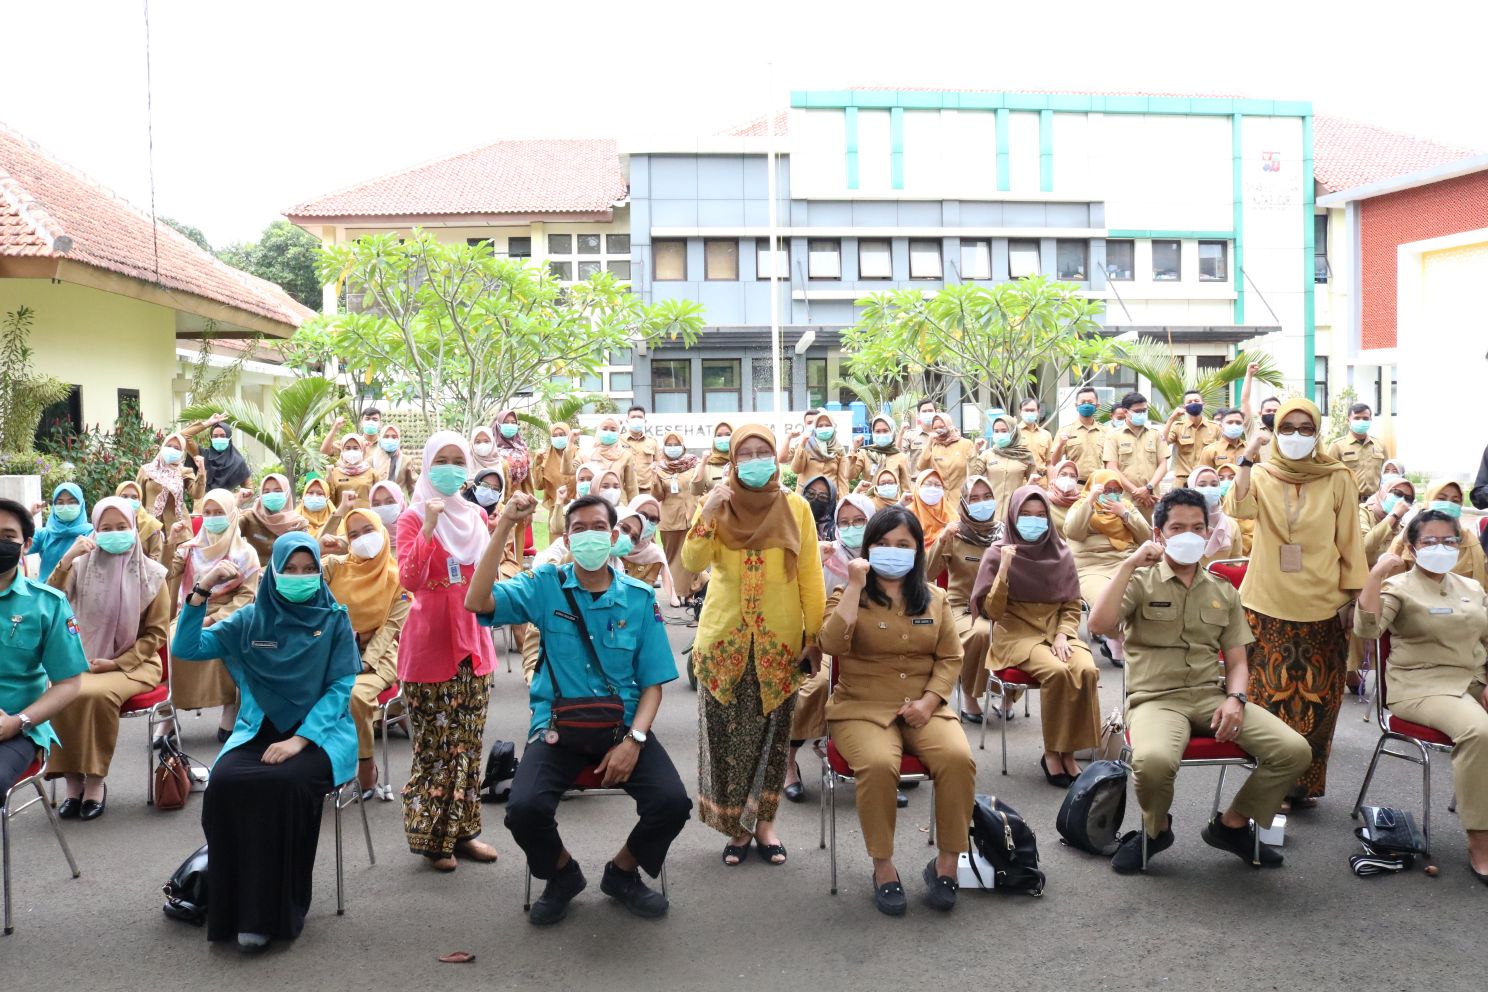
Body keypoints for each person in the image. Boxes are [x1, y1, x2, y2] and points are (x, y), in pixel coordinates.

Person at [469, 491, 691, 924]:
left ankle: (623, 872)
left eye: (597, 528)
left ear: (612, 537)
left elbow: (652, 686)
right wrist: (503, 528)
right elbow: (478, 602)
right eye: (578, 529)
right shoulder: (544, 585)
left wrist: (635, 741)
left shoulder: (640, 598)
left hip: (622, 727)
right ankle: (561, 873)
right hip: (557, 727)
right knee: (524, 809)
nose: (588, 536)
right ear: (567, 541)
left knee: (672, 803)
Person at [1088, 489, 1311, 873]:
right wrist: (1128, 564)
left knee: (1293, 750)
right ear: (1159, 534)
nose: (1188, 535)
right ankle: (1156, 829)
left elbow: (1238, 660)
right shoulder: (1141, 581)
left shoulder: (1222, 590)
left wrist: (1236, 698)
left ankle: (1233, 825)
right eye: (1177, 527)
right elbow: (1099, 625)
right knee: (1154, 762)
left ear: (1208, 533)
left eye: (1197, 527)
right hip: (1156, 700)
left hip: (1212, 698)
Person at [171, 532, 359, 950]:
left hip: (322, 736)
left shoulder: (333, 618)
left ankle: (277, 912)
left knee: (284, 785)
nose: (300, 577)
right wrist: (201, 590)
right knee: (224, 783)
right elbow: (186, 648)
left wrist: (301, 741)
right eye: (289, 569)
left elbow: (341, 686)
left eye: (309, 569)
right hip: (258, 733)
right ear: (273, 572)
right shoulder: (250, 619)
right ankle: (233, 907)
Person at [819, 505, 975, 916]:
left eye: (902, 545)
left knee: (958, 758)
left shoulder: (935, 598)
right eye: (883, 544)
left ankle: (946, 865)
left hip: (924, 705)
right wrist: (854, 585)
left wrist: (929, 702)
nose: (892, 551)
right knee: (876, 763)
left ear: (917, 551)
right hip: (861, 707)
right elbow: (831, 645)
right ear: (867, 549)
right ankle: (883, 868)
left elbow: (950, 658)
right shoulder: (845, 595)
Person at [683, 424, 824, 867]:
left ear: (777, 458)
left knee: (771, 738)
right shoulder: (719, 505)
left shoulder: (796, 507)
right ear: (734, 461)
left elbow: (810, 574)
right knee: (726, 737)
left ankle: (764, 825)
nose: (757, 460)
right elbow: (691, 564)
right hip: (723, 638)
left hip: (778, 642)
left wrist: (813, 633)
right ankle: (736, 828)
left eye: (764, 451)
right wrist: (706, 512)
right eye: (747, 453)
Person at [1224, 398, 1366, 808]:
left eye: (1306, 428)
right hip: (1265, 602)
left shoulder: (1337, 476)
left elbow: (1350, 542)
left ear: (1318, 433)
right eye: (1288, 428)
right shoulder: (1263, 472)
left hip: (1323, 604)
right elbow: (1237, 508)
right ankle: (1271, 785)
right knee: (1269, 699)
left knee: (1318, 699)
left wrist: (1354, 597)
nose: (1297, 436)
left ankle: (1303, 785)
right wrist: (1248, 458)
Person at [1355, 510, 1488, 882]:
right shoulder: (1398, 587)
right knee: (1479, 732)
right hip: (1420, 687)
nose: (1440, 547)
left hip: (1471, 682)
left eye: (1449, 540)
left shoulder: (1472, 588)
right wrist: (1377, 573)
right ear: (1412, 547)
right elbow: (1366, 628)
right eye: (1430, 541)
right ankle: (1481, 841)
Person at [395, 431, 499, 871]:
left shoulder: (476, 515)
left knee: (469, 745)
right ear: (428, 463)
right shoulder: (412, 517)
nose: (453, 467)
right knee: (436, 749)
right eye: (444, 459)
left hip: (473, 642)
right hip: (430, 646)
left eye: (460, 460)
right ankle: (433, 838)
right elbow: (409, 578)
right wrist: (431, 525)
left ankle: (465, 832)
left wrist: (505, 525)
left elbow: (489, 572)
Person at [42, 497, 170, 818]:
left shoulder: (152, 574)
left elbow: (156, 635)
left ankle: (95, 781)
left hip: (134, 663)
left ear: (134, 529)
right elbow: (48, 599)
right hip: (84, 659)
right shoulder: (81, 566)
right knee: (60, 692)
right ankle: (73, 783)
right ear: (95, 531)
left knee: (95, 694)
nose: (115, 534)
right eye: (106, 528)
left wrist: (116, 663)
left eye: (122, 527)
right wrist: (68, 557)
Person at [972, 486, 1100, 783]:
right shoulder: (996, 552)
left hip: (1056, 631)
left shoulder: (1061, 551)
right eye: (1026, 515)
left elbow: (1071, 604)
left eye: (1041, 515)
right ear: (1013, 518)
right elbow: (991, 612)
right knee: (1057, 672)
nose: (1034, 521)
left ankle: (1071, 751)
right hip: (1016, 634)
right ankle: (1054, 753)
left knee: (1087, 670)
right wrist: (1004, 569)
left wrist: (1064, 635)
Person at [784, 492, 874, 801]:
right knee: (817, 684)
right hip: (829, 639)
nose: (852, 528)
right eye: (844, 522)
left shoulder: (887, 553)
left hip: (875, 642)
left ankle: (880, 766)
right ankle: (788, 763)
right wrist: (811, 564)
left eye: (860, 521)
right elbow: (803, 599)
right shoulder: (826, 555)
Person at [0, 498, 85, 796]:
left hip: (16, 729)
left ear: (26, 544)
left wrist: (18, 722)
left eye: (7, 536)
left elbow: (69, 682)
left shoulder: (47, 604)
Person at [325, 507, 409, 800]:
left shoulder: (398, 577)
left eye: (368, 531)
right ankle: (321, 764)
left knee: (354, 695)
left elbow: (389, 630)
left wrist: (364, 661)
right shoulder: (335, 567)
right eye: (354, 534)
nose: (363, 539)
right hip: (330, 652)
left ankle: (365, 764)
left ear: (382, 532)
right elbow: (293, 571)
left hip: (378, 655)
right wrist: (318, 544)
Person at [165, 489, 262, 741]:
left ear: (231, 515)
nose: (212, 517)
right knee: (174, 640)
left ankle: (229, 707)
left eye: (219, 512)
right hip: (192, 609)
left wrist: (214, 618)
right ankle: (169, 710)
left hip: (230, 614)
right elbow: (164, 575)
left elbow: (246, 597)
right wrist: (171, 543)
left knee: (224, 639)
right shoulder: (190, 548)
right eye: (207, 513)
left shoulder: (245, 553)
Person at [927, 476, 1000, 723]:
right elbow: (927, 574)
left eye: (987, 497)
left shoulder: (1004, 532)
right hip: (962, 607)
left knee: (1018, 634)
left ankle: (1006, 692)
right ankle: (970, 694)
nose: (982, 503)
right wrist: (942, 539)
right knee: (980, 633)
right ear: (964, 504)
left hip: (1001, 607)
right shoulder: (956, 533)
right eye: (974, 498)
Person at [1065, 470, 1152, 668]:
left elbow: (1146, 536)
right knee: (1106, 601)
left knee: (1149, 595)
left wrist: (1125, 513)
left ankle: (1128, 640)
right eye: (1106, 490)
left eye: (1116, 490)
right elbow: (1073, 532)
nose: (1111, 494)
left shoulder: (1126, 506)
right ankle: (1121, 638)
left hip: (1127, 562)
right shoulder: (1081, 505)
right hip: (1091, 566)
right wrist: (1090, 502)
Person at [1387, 480, 1488, 588]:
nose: (1449, 504)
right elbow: (1391, 580)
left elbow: (1481, 583)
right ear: (1428, 501)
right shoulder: (1408, 537)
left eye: (1455, 501)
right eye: (1441, 499)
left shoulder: (1470, 541)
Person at [1103, 392, 1169, 522]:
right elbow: (1112, 468)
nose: (1142, 414)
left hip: (1151, 500)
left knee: (1150, 539)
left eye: (1144, 410)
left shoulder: (1155, 434)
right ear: (1125, 412)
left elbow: (1163, 465)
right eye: (1138, 411)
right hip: (1124, 500)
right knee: (1126, 540)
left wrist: (1148, 488)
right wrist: (1136, 492)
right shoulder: (1113, 436)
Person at [136, 431, 206, 536]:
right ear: (162, 447)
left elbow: (197, 494)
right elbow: (138, 498)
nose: (172, 450)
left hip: (179, 527)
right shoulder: (146, 470)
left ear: (182, 452)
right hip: (152, 525)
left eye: (177, 448)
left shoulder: (184, 471)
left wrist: (201, 470)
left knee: (179, 552)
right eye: (169, 446)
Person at [652, 432, 699, 589]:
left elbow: (700, 488)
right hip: (670, 520)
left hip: (692, 517)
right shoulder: (659, 468)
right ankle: (677, 592)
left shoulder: (694, 465)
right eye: (669, 445)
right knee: (673, 558)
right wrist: (654, 478)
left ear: (683, 446)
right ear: (664, 448)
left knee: (692, 555)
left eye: (676, 444)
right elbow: (658, 495)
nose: (673, 448)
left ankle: (691, 592)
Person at [968, 413, 1034, 521]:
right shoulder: (988, 454)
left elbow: (1033, 483)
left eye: (1004, 431)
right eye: (996, 431)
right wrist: (975, 450)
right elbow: (972, 477)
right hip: (991, 513)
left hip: (1016, 511)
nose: (999, 434)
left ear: (1013, 432)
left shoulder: (1025, 455)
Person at [617, 498, 680, 607]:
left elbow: (646, 588)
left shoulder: (655, 554)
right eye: (643, 515)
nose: (646, 522)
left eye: (653, 519)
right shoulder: (615, 544)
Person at [238, 473, 310, 564]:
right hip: (255, 573)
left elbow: (305, 555)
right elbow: (227, 534)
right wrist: (237, 503)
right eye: (266, 492)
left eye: (278, 491)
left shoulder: (298, 524)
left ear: (287, 493)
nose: (272, 495)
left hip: (284, 575)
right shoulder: (250, 517)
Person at [1324, 403, 1386, 502]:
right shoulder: (1337, 446)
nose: (1361, 421)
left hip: (1376, 503)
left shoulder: (1380, 445)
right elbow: (1327, 477)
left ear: (1370, 420)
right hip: (1348, 502)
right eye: (1357, 418)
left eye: (1365, 418)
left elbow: (1387, 473)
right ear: (1348, 421)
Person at [31, 484, 93, 581]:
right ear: (54, 507)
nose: (65, 507)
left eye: (72, 502)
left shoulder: (91, 533)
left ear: (81, 504)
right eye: (60, 503)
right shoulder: (43, 534)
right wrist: (29, 514)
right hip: (46, 592)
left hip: (77, 594)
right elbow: (16, 545)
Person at [1048, 387, 1106, 484]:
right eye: (1082, 402)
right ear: (1076, 406)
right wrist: (1061, 445)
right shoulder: (1065, 431)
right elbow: (1053, 462)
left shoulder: (1106, 431)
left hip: (1100, 485)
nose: (1086, 405)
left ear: (1097, 405)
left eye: (1090, 402)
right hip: (1074, 486)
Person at [1164, 390, 1220, 488]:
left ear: (1203, 404)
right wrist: (1171, 419)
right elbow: (1162, 443)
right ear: (1184, 407)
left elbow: (1223, 450)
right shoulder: (1177, 427)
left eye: (1196, 401)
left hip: (1207, 481)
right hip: (1183, 481)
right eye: (1189, 402)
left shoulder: (1215, 427)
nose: (1193, 404)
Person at [1187, 466, 1242, 565]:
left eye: (1214, 484)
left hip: (1222, 579)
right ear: (1191, 489)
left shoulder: (1231, 525)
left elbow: (1235, 562)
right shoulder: (1181, 523)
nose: (1209, 489)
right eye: (1202, 485)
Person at [187, 413, 253, 494]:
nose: (219, 438)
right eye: (215, 436)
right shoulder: (202, 455)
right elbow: (184, 436)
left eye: (222, 436)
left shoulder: (238, 462)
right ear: (211, 438)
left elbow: (249, 489)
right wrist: (208, 423)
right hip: (203, 504)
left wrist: (230, 498)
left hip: (227, 505)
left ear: (229, 437)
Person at [915, 413, 977, 498]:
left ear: (949, 425)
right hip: (939, 498)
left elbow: (973, 473)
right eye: (935, 428)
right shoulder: (933, 445)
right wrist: (929, 443)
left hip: (960, 498)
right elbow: (921, 467)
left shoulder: (965, 444)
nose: (938, 430)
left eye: (941, 427)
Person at [534, 422, 578, 543]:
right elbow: (538, 486)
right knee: (556, 547)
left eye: (562, 434)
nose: (558, 438)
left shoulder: (578, 454)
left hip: (577, 507)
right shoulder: (545, 457)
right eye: (555, 435)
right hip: (556, 509)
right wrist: (537, 465)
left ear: (569, 435)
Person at [790, 412, 850, 494]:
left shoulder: (839, 449)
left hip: (828, 500)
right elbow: (796, 469)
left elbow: (843, 480)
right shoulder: (807, 446)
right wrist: (802, 446)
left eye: (828, 425)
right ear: (815, 428)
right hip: (806, 498)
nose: (824, 428)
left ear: (833, 427)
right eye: (820, 426)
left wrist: (843, 502)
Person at [852, 415, 913, 496]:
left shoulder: (901, 457)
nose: (881, 434)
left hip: (893, 505)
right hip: (869, 503)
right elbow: (850, 475)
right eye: (877, 431)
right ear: (873, 433)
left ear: (892, 432)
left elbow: (906, 489)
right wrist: (853, 450)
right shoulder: (865, 454)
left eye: (885, 431)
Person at [114, 480, 169, 564]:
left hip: (144, 572)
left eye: (134, 497)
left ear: (140, 500)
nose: (129, 500)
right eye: (124, 496)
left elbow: (155, 556)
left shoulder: (151, 524)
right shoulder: (109, 522)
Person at [326, 433, 382, 510]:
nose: (351, 451)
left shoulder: (372, 473)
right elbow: (329, 500)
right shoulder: (334, 473)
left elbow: (379, 499)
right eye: (348, 448)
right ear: (342, 450)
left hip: (366, 518)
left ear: (362, 450)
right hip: (342, 519)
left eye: (355, 448)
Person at [591, 415, 639, 503]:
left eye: (613, 430)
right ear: (598, 430)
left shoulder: (626, 456)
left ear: (618, 432)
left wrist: (634, 508)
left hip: (620, 505)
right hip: (596, 504)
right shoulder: (590, 454)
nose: (608, 432)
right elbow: (568, 470)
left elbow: (632, 487)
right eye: (604, 429)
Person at [907, 469, 955, 549]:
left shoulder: (951, 514)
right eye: (928, 484)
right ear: (918, 487)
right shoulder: (907, 514)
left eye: (937, 485)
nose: (933, 488)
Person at [621, 405, 661, 496]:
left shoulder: (652, 442)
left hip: (647, 491)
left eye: (639, 417)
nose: (636, 419)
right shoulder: (619, 440)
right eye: (633, 417)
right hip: (625, 491)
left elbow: (658, 465)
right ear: (627, 421)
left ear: (645, 421)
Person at [493, 410, 535, 497]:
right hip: (498, 496)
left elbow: (527, 480)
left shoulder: (522, 448)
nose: (510, 425)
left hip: (519, 496)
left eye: (513, 422)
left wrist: (529, 497)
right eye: (506, 422)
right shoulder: (491, 449)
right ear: (498, 425)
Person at [692, 422, 734, 501]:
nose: (723, 438)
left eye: (728, 434)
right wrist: (703, 464)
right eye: (719, 435)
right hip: (715, 511)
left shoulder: (741, 461)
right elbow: (695, 491)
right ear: (714, 439)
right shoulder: (707, 464)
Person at [374, 424, 419, 496]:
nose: (390, 439)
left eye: (394, 437)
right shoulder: (373, 460)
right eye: (386, 436)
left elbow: (413, 486)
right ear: (380, 439)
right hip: (378, 502)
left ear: (399, 439)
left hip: (399, 503)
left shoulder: (406, 460)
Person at [1200, 408, 1249, 473]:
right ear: (1221, 426)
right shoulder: (1209, 451)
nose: (1234, 425)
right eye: (1230, 422)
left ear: (1243, 426)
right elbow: (1204, 477)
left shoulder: (1250, 449)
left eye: (1238, 422)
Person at [1016, 398, 1053, 479]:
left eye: (1032, 410)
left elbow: (1049, 463)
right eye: (1026, 410)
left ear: (1038, 412)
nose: (1029, 413)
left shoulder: (1046, 434)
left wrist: (1050, 485)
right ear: (1020, 412)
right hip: (1021, 481)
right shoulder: (1014, 433)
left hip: (1041, 481)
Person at [1045, 459, 1082, 534]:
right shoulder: (1045, 499)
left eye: (1072, 476)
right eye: (1063, 474)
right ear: (1056, 475)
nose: (1068, 478)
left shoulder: (1080, 501)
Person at [368, 481, 406, 553]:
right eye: (376, 504)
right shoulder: (366, 536)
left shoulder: (415, 533)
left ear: (401, 502)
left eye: (390, 502)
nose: (383, 507)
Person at [901, 398, 939, 467]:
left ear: (936, 412)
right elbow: (899, 454)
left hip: (938, 477)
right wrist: (901, 433)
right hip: (917, 477)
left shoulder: (942, 435)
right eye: (924, 411)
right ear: (918, 414)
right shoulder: (910, 435)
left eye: (930, 411)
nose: (927, 413)